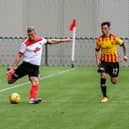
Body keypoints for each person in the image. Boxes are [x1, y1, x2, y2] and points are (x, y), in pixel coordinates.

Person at [7, 26, 72, 104]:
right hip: (25, 66)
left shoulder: (41, 40)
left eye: (31, 34)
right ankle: (10, 73)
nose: (30, 36)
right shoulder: (25, 44)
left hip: (35, 67)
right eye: (29, 35)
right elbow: (19, 56)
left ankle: (32, 99)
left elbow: (52, 41)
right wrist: (13, 68)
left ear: (35, 33)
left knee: (35, 82)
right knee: (10, 81)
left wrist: (64, 40)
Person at [95, 22, 128, 102]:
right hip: (104, 62)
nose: (103, 30)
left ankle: (111, 75)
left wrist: (125, 55)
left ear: (109, 29)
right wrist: (97, 60)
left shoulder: (114, 38)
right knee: (102, 75)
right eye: (102, 29)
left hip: (114, 63)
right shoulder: (99, 40)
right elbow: (97, 50)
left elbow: (124, 45)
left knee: (114, 81)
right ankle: (105, 97)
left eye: (105, 28)